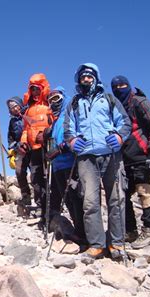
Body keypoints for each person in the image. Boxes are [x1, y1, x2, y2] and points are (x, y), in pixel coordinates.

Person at [64, 63, 131, 260]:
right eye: (83, 76)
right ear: (79, 79)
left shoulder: (109, 99)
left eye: (90, 76)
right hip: (86, 157)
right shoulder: (74, 103)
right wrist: (72, 141)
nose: (86, 79)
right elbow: (69, 128)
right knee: (90, 202)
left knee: (116, 199)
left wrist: (119, 137)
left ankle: (117, 244)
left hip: (111, 154)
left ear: (96, 78)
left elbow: (125, 122)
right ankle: (97, 245)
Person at [111, 75, 150, 248]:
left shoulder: (139, 102)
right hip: (124, 159)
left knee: (143, 190)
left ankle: (149, 229)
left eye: (123, 85)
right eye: (116, 87)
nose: (120, 89)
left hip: (142, 155)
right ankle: (131, 231)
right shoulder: (116, 108)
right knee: (123, 196)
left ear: (129, 85)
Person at [44, 86, 86, 245]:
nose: (53, 102)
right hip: (58, 166)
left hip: (70, 162)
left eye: (56, 98)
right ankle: (79, 232)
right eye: (50, 100)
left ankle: (84, 235)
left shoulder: (71, 113)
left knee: (76, 199)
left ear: (63, 97)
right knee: (68, 200)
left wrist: (62, 148)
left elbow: (79, 136)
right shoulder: (55, 121)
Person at [19, 73, 53, 218]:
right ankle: (40, 205)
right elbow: (26, 128)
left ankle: (52, 205)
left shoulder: (49, 105)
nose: (35, 92)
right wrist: (24, 142)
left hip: (49, 146)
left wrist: (46, 134)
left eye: (37, 89)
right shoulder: (29, 110)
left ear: (43, 89)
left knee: (50, 177)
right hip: (34, 149)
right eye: (32, 89)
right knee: (36, 177)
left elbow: (55, 123)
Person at [6, 96, 31, 206]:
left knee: (37, 174)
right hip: (20, 150)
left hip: (33, 148)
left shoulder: (29, 114)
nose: (14, 109)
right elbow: (10, 139)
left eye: (16, 106)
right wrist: (16, 147)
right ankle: (26, 197)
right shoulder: (12, 122)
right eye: (11, 108)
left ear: (20, 104)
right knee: (19, 172)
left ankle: (43, 199)